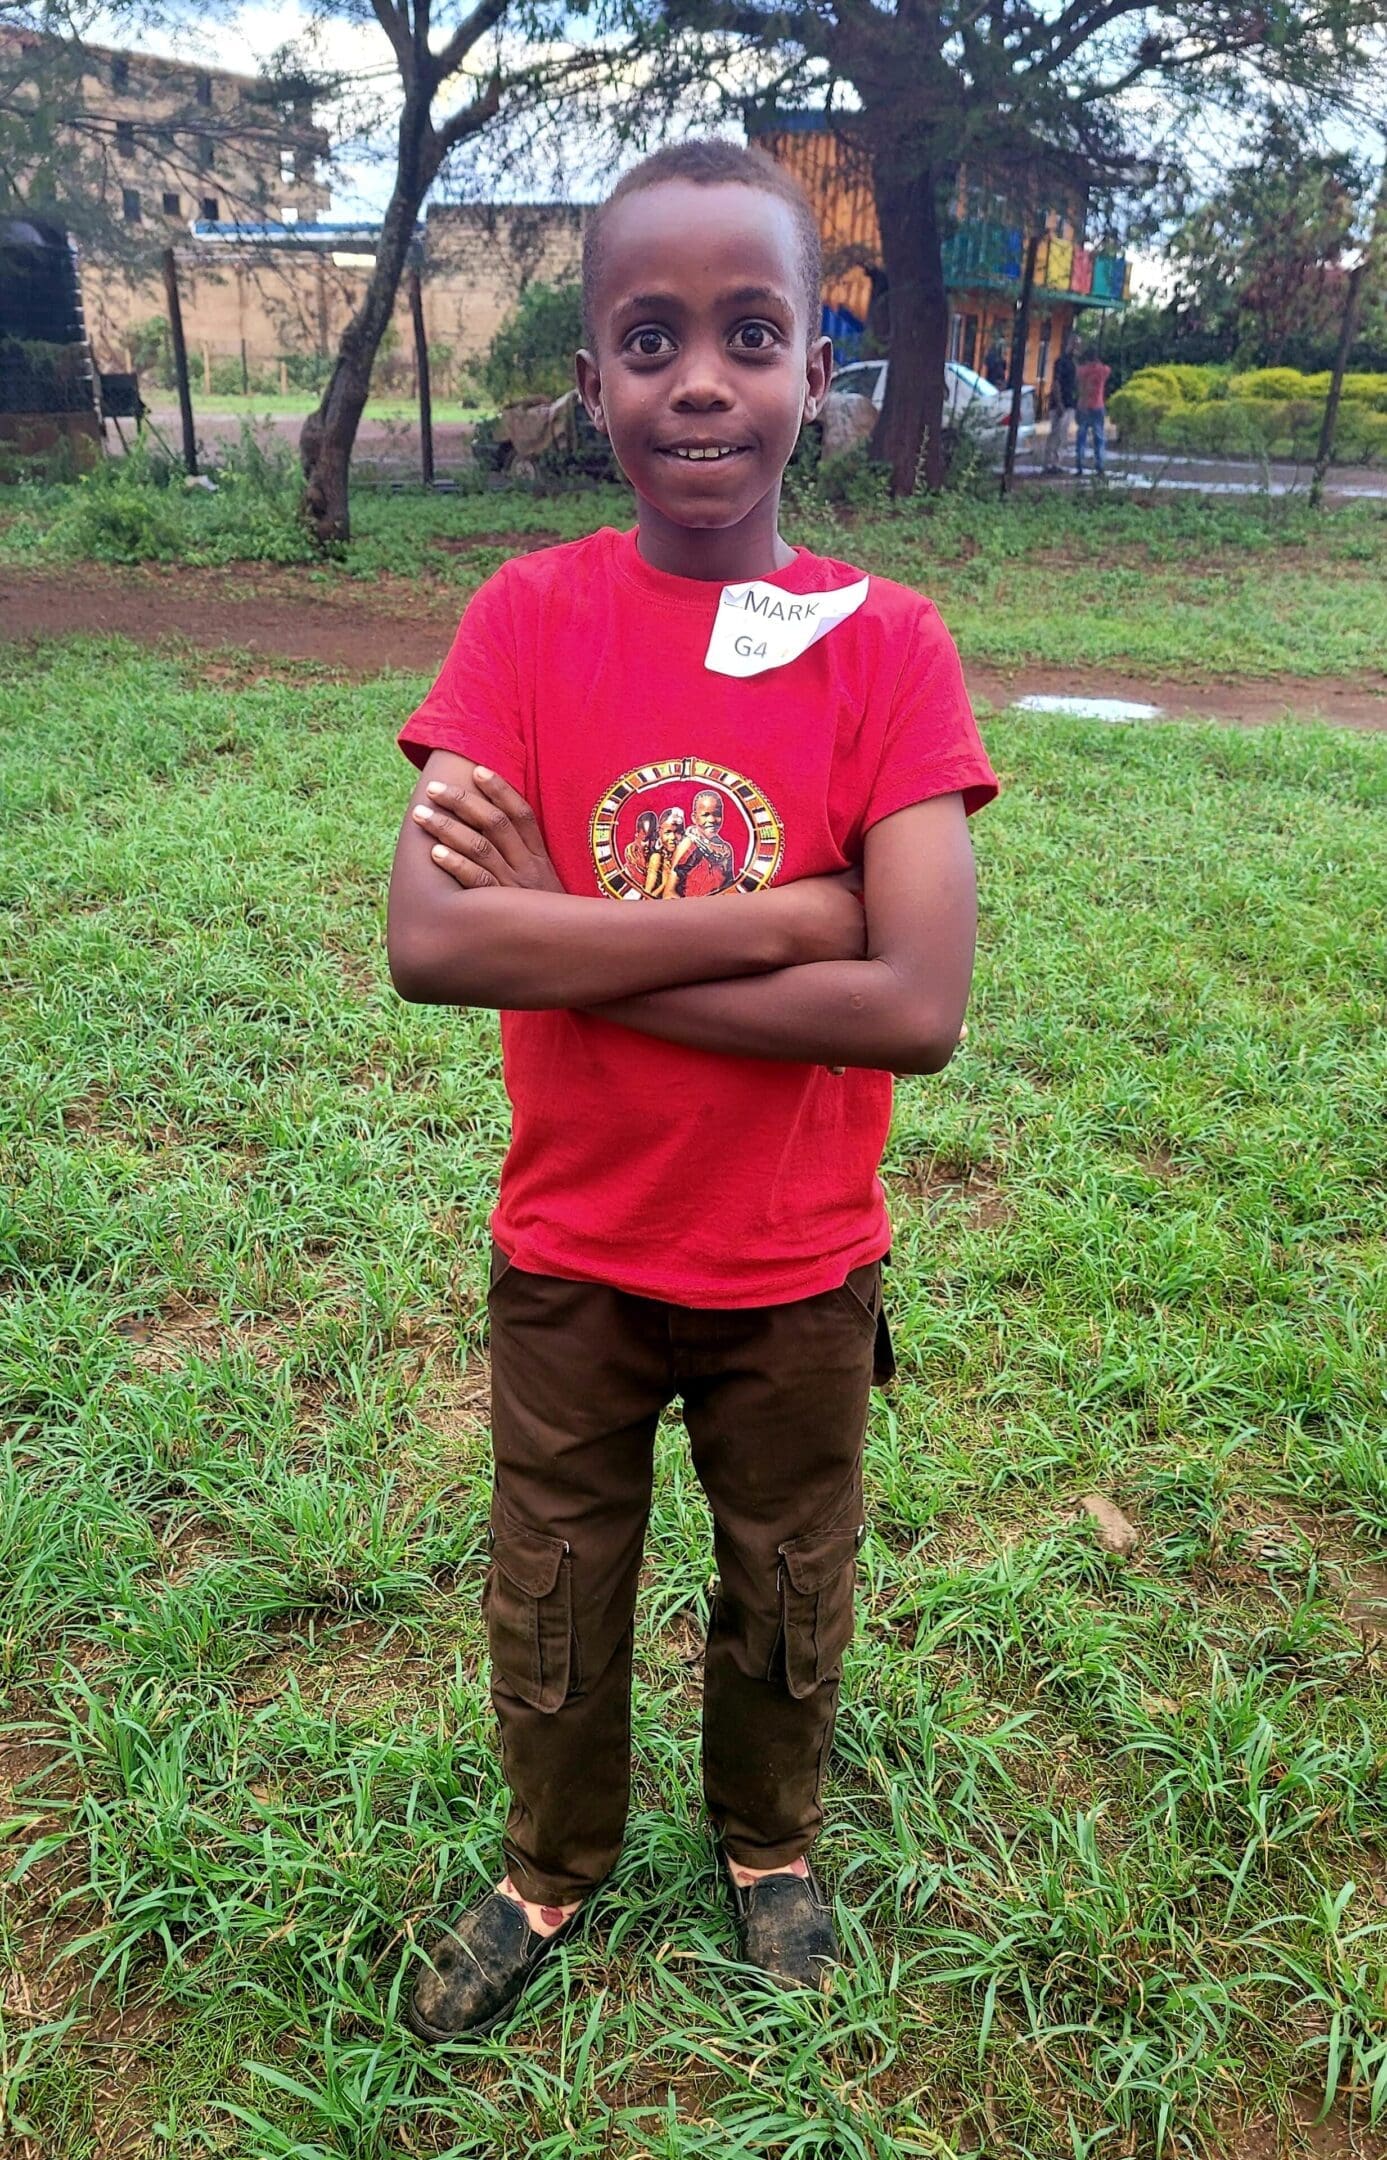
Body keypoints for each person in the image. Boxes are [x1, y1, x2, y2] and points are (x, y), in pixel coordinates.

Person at [387, 137, 998, 2044]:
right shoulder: (524, 618)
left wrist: (573, 935)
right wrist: (788, 916)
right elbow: (434, 945)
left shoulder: (886, 644)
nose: (702, 381)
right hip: (571, 1251)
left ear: (819, 360)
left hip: (795, 1262)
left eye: (751, 332)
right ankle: (548, 1863)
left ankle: (767, 1843)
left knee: (787, 1579)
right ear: (592, 382)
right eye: (650, 341)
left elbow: (912, 1003)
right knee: (553, 1588)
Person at [1074, 343, 1112, 477]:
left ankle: (1079, 464)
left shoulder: (1081, 370)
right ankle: (1100, 465)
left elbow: (1077, 380)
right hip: (1097, 405)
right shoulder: (1102, 370)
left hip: (1083, 405)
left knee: (1081, 437)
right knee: (1099, 437)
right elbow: (1108, 369)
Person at [1042, 338, 1078, 473]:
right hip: (1061, 404)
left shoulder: (1073, 363)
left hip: (1068, 403)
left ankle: (1056, 463)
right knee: (1056, 434)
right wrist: (1059, 403)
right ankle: (1050, 463)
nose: (1077, 348)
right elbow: (1056, 382)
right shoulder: (1062, 362)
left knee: (1062, 435)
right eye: (1075, 345)